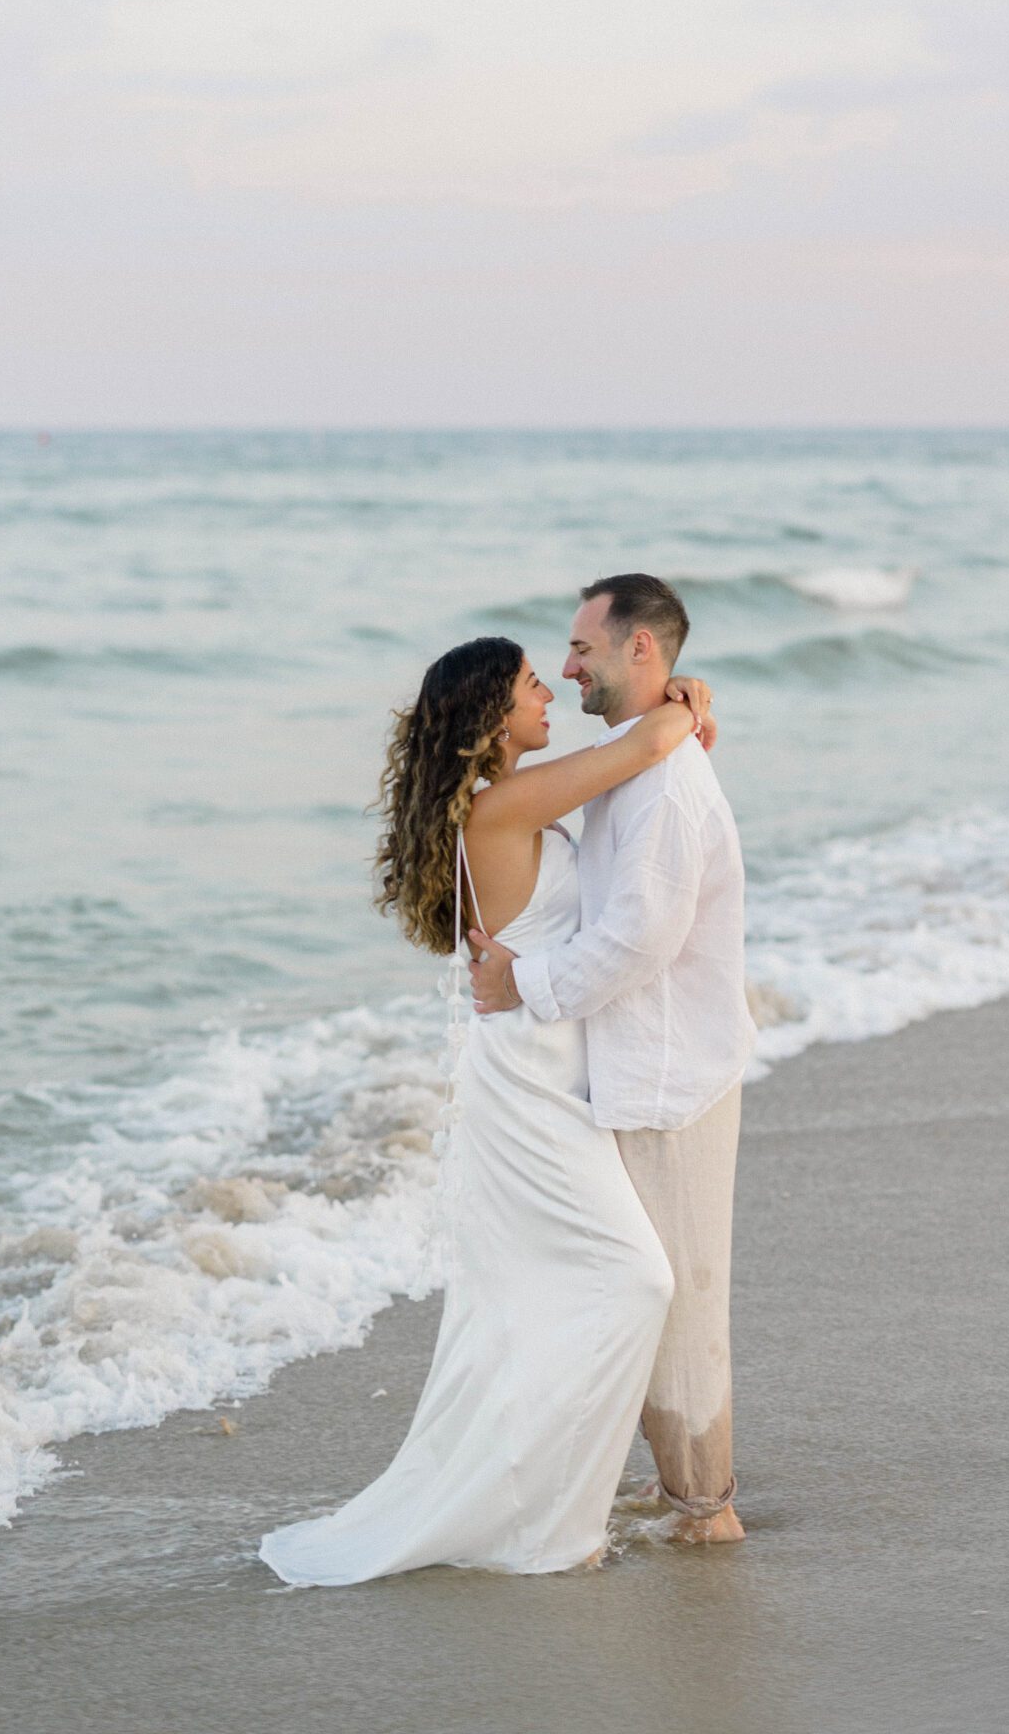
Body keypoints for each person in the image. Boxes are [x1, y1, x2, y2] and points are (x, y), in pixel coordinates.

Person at [258, 633, 715, 1583]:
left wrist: (678, 707)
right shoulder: (502, 806)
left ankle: (552, 1494)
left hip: (543, 1073)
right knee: (635, 1281)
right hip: (530, 1089)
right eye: (528, 684)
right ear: (488, 717)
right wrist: (684, 697)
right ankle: (545, 1512)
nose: (549, 689)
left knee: (558, 1292)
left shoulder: (504, 807)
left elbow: (644, 759)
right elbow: (637, 749)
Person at [470, 573, 756, 1543]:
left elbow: (640, 941)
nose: (566, 665)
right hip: (629, 1066)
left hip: (669, 1076)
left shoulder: (665, 781)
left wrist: (525, 986)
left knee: (679, 1297)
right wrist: (683, 709)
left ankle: (703, 1508)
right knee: (645, 1289)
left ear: (642, 649)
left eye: (583, 647)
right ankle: (675, 1482)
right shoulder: (636, 761)